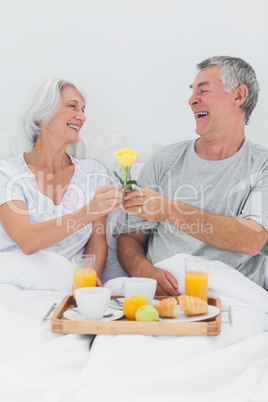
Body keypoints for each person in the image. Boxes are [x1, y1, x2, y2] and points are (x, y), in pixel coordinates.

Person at [114, 56, 268, 295]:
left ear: (239, 96)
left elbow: (252, 239)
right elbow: (130, 236)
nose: (191, 100)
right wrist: (142, 270)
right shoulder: (165, 160)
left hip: (232, 298)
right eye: (192, 92)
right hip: (163, 295)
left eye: (203, 91)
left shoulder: (262, 165)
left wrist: (169, 211)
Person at [0, 78, 124, 281]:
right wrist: (89, 210)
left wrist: (86, 290)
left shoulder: (94, 173)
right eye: (72, 106)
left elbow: (96, 244)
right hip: (14, 287)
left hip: (67, 289)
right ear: (42, 115)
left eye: (83, 110)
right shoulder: (7, 173)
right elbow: (27, 240)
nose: (82, 117)